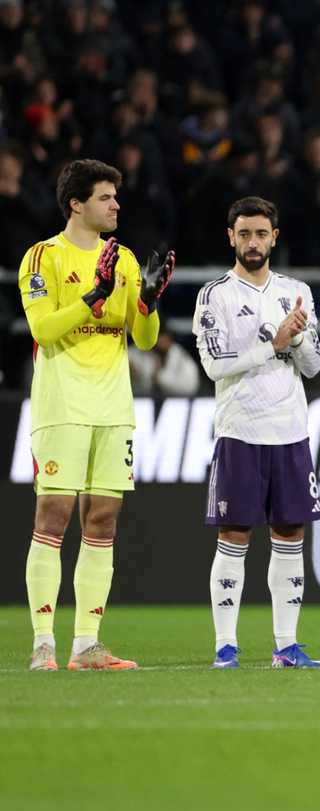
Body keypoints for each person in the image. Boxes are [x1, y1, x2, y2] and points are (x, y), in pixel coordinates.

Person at [19, 158, 172, 674]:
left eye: (116, 197)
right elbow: (43, 328)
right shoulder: (43, 258)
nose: (115, 205)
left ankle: (87, 645)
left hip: (114, 407)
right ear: (76, 204)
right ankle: (44, 642)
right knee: (54, 516)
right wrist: (94, 296)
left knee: (102, 521)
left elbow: (144, 341)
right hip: (61, 404)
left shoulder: (123, 259)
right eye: (106, 197)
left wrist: (147, 302)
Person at [193, 196, 320, 669]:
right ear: (231, 237)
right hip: (240, 432)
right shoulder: (215, 295)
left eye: (261, 234)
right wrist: (275, 344)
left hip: (289, 431)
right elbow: (214, 364)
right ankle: (225, 647)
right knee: (234, 536)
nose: (253, 242)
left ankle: (286, 647)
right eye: (244, 233)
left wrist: (300, 338)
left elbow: (313, 366)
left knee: (290, 537)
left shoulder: (295, 291)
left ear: (275, 237)